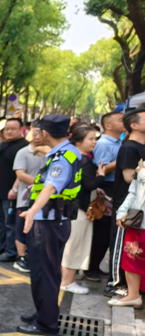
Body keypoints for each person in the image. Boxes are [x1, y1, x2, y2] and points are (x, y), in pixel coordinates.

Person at [18, 115, 82, 335]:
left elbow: (51, 187)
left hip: (48, 222)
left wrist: (32, 211)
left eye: (38, 131)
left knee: (43, 272)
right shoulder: (68, 152)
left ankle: (46, 323)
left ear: (45, 133)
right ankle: (44, 313)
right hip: (56, 220)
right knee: (49, 271)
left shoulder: (61, 158)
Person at [106, 108, 145, 298]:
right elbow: (129, 177)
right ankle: (115, 283)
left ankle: (132, 288)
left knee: (134, 248)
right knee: (121, 244)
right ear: (134, 125)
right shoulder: (129, 147)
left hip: (140, 204)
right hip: (127, 206)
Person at [60, 125, 102, 295]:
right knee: (74, 247)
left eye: (95, 138)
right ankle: (67, 281)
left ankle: (66, 279)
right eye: (91, 139)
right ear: (78, 141)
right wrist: (101, 174)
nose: (95, 142)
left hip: (71, 209)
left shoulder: (72, 157)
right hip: (79, 210)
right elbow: (90, 184)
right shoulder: (84, 161)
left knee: (71, 246)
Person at [0, 118, 28, 262]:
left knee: (10, 223)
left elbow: (22, 171)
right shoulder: (2, 145)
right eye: (6, 129)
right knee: (0, 221)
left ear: (21, 130)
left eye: (13, 129)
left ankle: (10, 251)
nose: (9, 132)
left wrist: (14, 190)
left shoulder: (23, 147)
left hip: (11, 191)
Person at [88, 112, 124, 282]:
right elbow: (101, 169)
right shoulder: (103, 144)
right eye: (120, 120)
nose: (124, 121)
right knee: (101, 231)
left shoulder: (119, 142)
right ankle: (91, 268)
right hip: (105, 188)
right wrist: (124, 159)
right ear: (108, 125)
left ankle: (95, 266)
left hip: (114, 187)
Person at [12, 124, 46, 273]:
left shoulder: (53, 153)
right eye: (35, 133)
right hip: (26, 198)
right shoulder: (23, 152)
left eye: (41, 133)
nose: (38, 137)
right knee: (22, 227)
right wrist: (45, 185)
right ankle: (21, 257)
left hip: (45, 200)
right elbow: (21, 175)